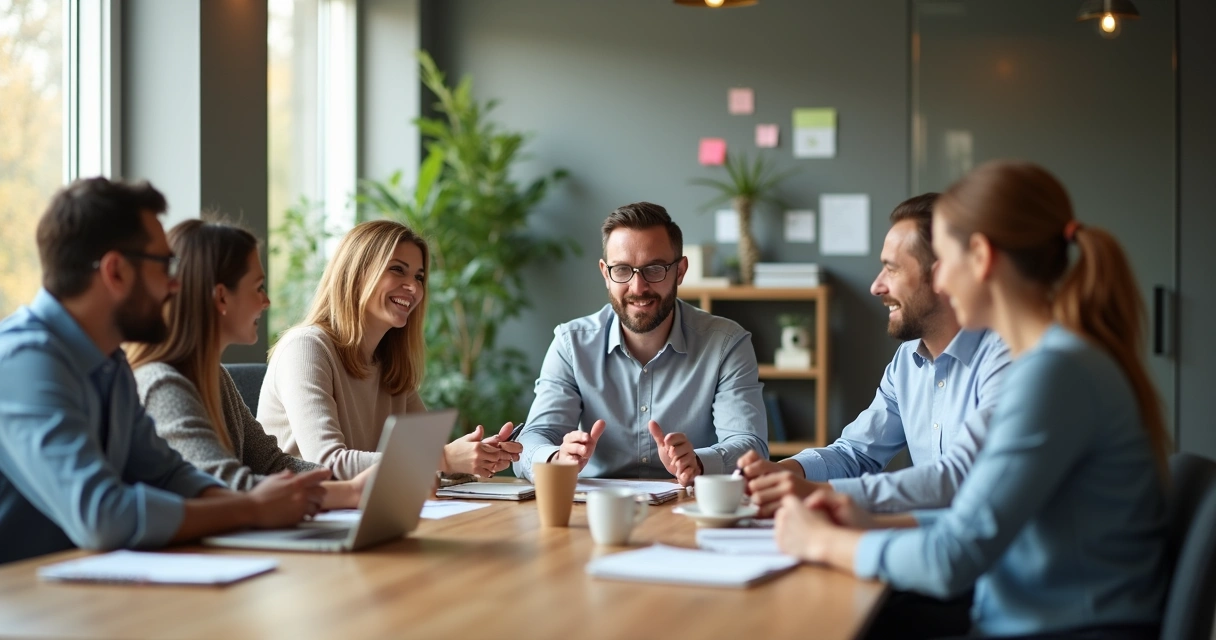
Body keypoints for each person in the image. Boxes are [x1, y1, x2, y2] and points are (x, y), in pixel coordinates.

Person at [774, 161, 1170, 638]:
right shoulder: (1055, 362)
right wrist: (865, 519)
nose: (940, 283)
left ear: (980, 256)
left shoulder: (1053, 373)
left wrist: (821, 542)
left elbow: (952, 558)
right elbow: (974, 522)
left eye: (945, 260)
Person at [0, 178, 329, 565]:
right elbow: (103, 516)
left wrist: (261, 505)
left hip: (77, 590)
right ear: (116, 272)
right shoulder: (23, 362)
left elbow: (169, 475)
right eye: (164, 265)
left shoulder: (109, 362)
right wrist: (250, 510)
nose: (176, 285)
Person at [738, 193, 1010, 516]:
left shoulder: (1004, 358)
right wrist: (788, 472)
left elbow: (962, 479)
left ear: (940, 275)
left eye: (891, 269)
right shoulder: (906, 362)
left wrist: (820, 492)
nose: (876, 287)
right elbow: (857, 454)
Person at [513, 202, 767, 486]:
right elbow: (532, 440)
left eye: (654, 269)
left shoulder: (726, 343)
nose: (638, 287)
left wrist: (698, 461)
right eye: (622, 270)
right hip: (594, 510)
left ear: (680, 271)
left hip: (689, 507)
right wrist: (556, 458)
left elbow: (750, 445)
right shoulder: (571, 344)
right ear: (605, 273)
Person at [128, 219, 370, 508]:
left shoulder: (215, 376)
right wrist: (351, 492)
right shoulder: (161, 384)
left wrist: (355, 480)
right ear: (221, 297)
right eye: (258, 287)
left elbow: (271, 463)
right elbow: (226, 487)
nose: (266, 301)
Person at [258, 219, 521, 480]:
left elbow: (429, 460)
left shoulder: (391, 363)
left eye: (419, 277)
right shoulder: (305, 348)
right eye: (397, 270)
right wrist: (443, 458)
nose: (414, 287)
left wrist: (474, 457)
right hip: (307, 516)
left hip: (364, 512)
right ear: (356, 274)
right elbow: (326, 464)